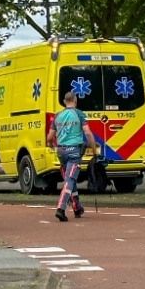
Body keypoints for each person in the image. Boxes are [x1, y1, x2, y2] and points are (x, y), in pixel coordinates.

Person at [46, 91, 98, 222]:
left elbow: (50, 136)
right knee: (69, 180)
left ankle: (77, 208)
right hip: (74, 152)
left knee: (71, 179)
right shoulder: (79, 114)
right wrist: (94, 150)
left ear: (64, 101)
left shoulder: (57, 115)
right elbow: (88, 133)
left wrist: (50, 144)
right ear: (75, 101)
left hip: (61, 152)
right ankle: (60, 208)